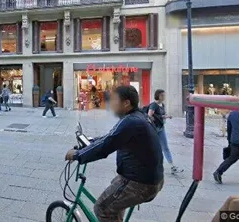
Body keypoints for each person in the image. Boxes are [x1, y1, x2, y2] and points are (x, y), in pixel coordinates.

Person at [65, 86, 164, 222]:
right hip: (148, 178)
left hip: (140, 183)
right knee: (114, 191)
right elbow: (111, 137)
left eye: (114, 100)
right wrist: (90, 141)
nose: (111, 104)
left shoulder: (130, 122)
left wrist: (77, 155)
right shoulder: (138, 117)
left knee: (102, 208)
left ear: (126, 103)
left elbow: (106, 146)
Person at [148, 89, 184, 175]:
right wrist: (152, 124)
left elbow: (160, 116)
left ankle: (173, 166)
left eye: (164, 95)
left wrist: (166, 116)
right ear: (159, 96)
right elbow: (149, 115)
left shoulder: (162, 105)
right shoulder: (154, 105)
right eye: (163, 95)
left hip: (161, 128)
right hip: (154, 129)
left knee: (165, 147)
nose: (164, 97)